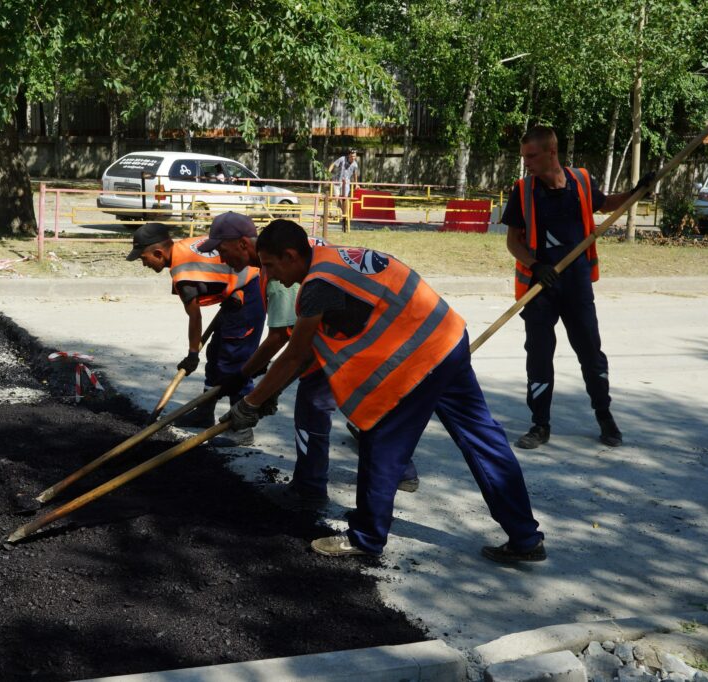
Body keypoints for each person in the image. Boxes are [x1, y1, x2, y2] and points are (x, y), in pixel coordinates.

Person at [220, 221, 546, 563]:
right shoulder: (332, 258)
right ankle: (525, 536)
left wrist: (250, 403)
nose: (269, 276)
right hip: (448, 337)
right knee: (482, 437)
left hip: (421, 358)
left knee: (380, 441)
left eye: (270, 265)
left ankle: (367, 536)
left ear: (290, 255)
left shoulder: (318, 284)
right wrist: (267, 394)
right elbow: (307, 354)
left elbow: (296, 354)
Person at [198, 215, 420, 509]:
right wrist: (263, 388)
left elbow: (288, 343)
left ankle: (310, 489)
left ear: (243, 244)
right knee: (362, 407)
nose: (222, 259)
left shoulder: (282, 276)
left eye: (223, 251)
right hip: (357, 333)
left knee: (314, 406)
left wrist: (251, 394)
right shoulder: (288, 256)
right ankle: (401, 471)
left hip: (358, 340)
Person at [502, 126, 652, 450]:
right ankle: (539, 425)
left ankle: (605, 416)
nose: (526, 163)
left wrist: (636, 192)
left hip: (577, 284)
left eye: (531, 156)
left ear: (551, 152)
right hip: (540, 287)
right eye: (524, 156)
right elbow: (513, 241)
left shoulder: (581, 180)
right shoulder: (523, 190)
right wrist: (535, 265)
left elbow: (606, 203)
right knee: (539, 358)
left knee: (590, 352)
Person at [126, 220, 265, 444]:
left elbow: (195, 316)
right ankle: (204, 413)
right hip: (237, 293)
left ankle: (242, 430)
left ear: (159, 252)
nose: (144, 264)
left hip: (249, 293)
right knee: (216, 353)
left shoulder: (183, 274)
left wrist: (192, 354)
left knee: (235, 362)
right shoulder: (183, 247)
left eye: (144, 258)